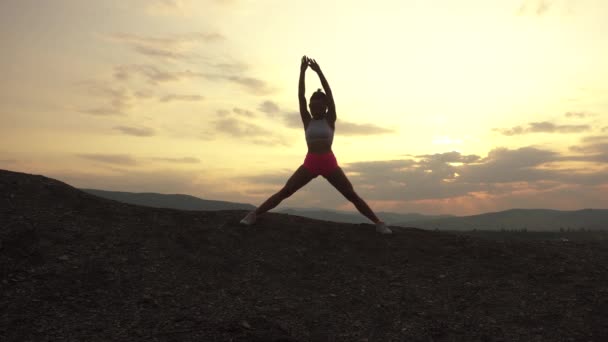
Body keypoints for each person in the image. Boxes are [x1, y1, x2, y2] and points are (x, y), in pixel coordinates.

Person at [240, 56, 392, 234]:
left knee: (351, 195)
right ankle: (254, 214)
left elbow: (329, 92)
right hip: (311, 162)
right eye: (312, 106)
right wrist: (302, 72)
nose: (313, 108)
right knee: (286, 191)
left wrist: (318, 72)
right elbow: (301, 97)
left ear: (325, 106)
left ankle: (379, 223)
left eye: (317, 106)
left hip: (329, 162)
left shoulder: (330, 119)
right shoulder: (307, 120)